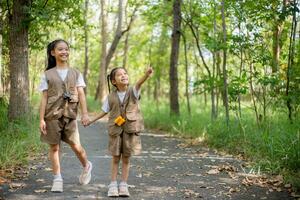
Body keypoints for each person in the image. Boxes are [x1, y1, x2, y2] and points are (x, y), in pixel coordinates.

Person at [87, 67, 153, 197]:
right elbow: (104, 111)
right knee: (116, 158)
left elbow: (139, 83)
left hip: (130, 130)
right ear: (113, 81)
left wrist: (146, 75)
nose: (123, 76)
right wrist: (91, 120)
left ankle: (123, 184)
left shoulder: (133, 91)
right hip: (115, 130)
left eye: (125, 73)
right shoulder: (110, 96)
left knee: (126, 158)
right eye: (119, 75)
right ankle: (112, 184)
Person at [38, 39, 92, 193]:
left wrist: (85, 114)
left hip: (70, 116)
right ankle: (57, 178)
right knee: (54, 147)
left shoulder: (76, 73)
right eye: (60, 49)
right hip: (51, 116)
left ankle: (87, 165)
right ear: (53, 53)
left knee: (76, 146)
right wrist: (41, 119)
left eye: (66, 49)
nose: (64, 52)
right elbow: (44, 98)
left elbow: (81, 94)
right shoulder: (47, 74)